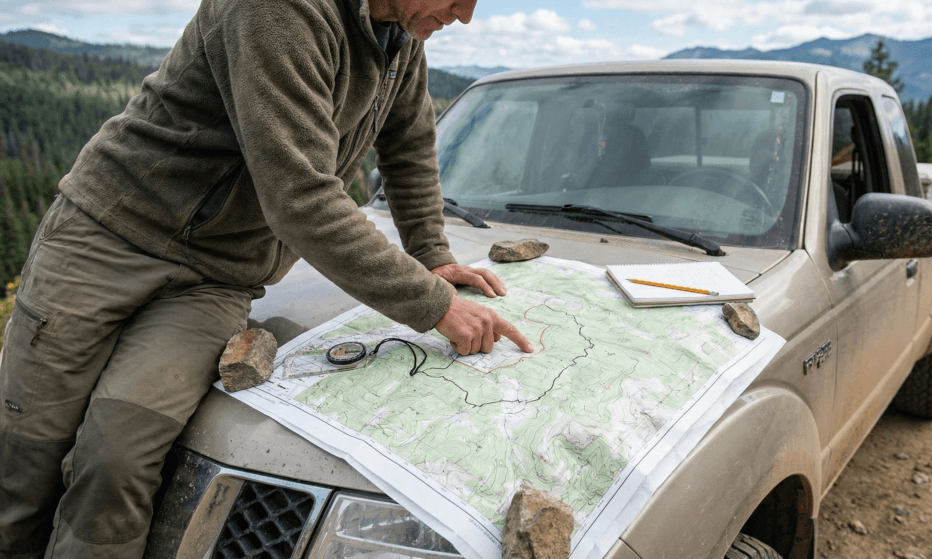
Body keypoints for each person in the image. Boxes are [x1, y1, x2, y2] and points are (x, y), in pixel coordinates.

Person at [0, 0, 533, 556]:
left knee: (115, 459)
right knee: (26, 462)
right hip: (105, 240)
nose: (465, 16)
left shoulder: (400, 38)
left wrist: (431, 252)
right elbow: (299, 195)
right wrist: (436, 304)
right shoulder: (277, 8)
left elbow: (408, 145)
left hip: (215, 280)